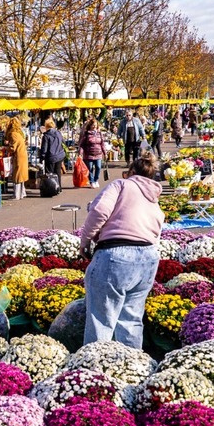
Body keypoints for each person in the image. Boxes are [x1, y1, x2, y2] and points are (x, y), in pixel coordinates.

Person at [78, 153, 164, 349]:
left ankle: (95, 371)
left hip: (116, 254)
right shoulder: (153, 197)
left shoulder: (122, 185)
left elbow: (99, 211)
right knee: (132, 320)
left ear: (131, 172)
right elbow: (157, 229)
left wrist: (85, 241)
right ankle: (132, 371)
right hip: (148, 258)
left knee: (101, 321)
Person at [2, 116, 29, 200]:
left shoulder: (13, 134)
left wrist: (5, 148)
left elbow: (13, 147)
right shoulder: (19, 133)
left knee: (17, 175)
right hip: (22, 155)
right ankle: (22, 193)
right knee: (21, 175)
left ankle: (17, 195)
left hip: (19, 156)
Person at [77, 117, 106, 188]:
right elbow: (82, 145)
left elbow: (102, 143)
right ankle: (92, 181)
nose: (94, 126)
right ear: (90, 126)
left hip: (98, 153)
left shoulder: (99, 133)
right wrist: (80, 154)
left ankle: (96, 180)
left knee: (98, 167)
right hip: (88, 154)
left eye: (95, 125)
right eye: (93, 125)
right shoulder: (86, 134)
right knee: (90, 168)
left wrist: (105, 153)